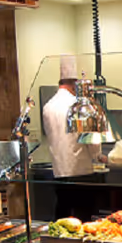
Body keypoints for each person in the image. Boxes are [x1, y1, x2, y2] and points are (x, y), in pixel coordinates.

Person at [41, 57, 103, 220]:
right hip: (82, 173)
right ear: (75, 84)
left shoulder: (47, 107)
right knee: (83, 219)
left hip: (59, 172)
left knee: (63, 216)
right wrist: (99, 155)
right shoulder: (79, 106)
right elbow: (91, 140)